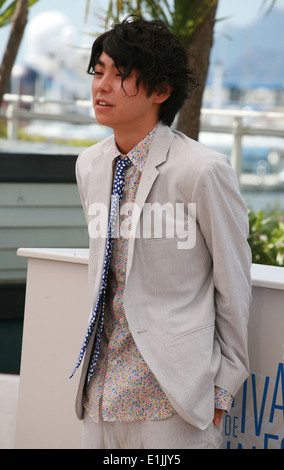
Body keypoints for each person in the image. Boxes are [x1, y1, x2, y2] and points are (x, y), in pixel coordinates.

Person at [71, 15, 252, 449]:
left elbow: (234, 283)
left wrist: (222, 391)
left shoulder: (202, 170)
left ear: (161, 91)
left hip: (172, 400)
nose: (103, 85)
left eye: (121, 75)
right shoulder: (88, 166)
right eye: (99, 72)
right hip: (99, 396)